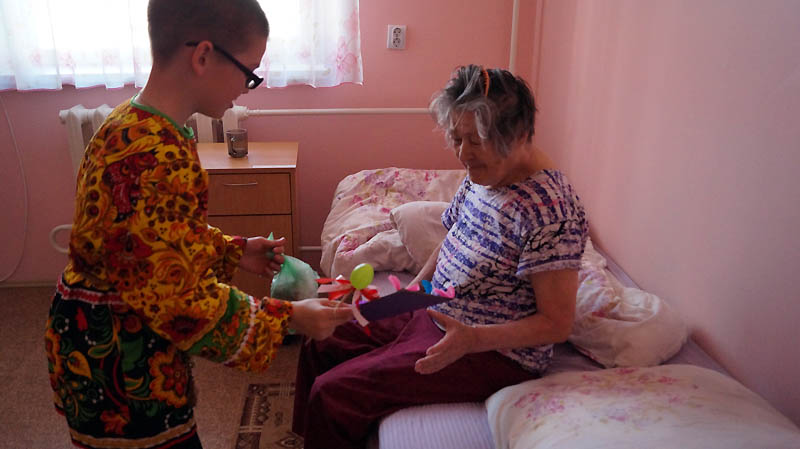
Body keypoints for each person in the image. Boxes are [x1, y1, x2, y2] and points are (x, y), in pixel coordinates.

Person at [44, 1, 352, 448]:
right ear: (203, 56)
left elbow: (148, 239)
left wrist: (232, 250)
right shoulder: (158, 154)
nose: (248, 88)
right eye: (248, 72)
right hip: (123, 368)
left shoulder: (129, 123)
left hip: (94, 341)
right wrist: (290, 318)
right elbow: (179, 300)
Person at [292, 65, 589, 449]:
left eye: (475, 141)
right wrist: (413, 293)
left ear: (517, 136)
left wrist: (473, 338)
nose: (463, 154)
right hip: (435, 305)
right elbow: (453, 239)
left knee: (333, 393)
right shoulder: (485, 175)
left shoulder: (550, 210)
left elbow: (556, 323)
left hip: (489, 349)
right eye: (456, 138)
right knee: (323, 338)